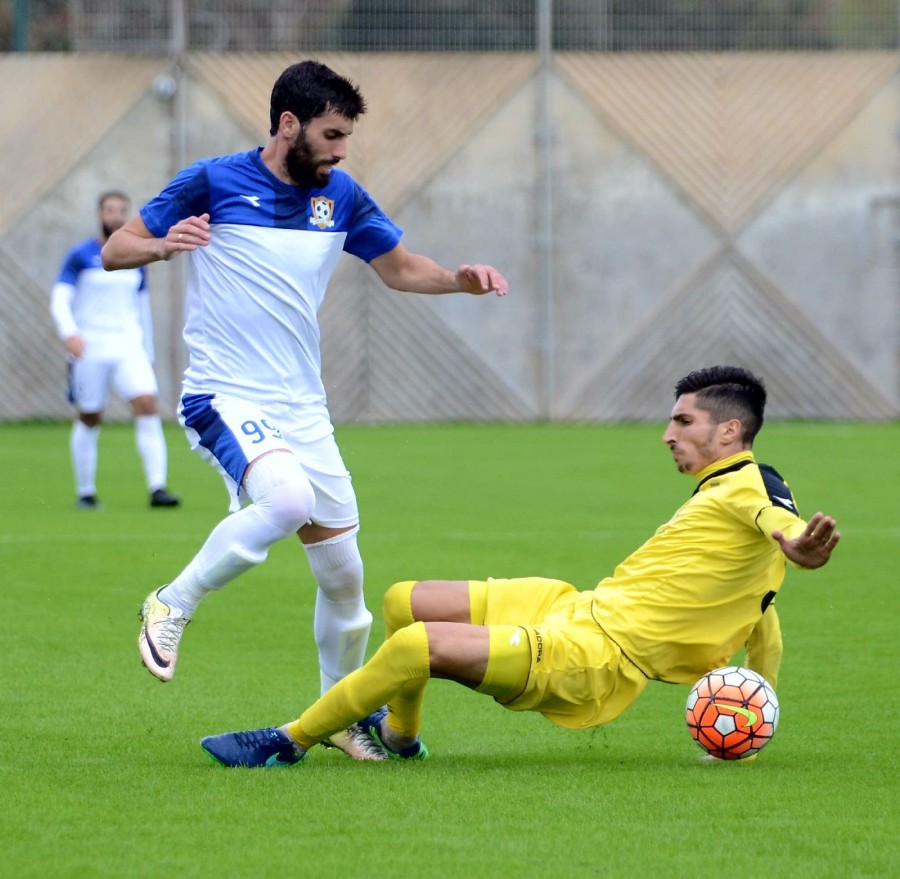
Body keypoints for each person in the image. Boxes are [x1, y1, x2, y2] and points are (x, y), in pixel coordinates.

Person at [101, 60, 508, 761]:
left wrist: (457, 280)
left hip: (303, 409)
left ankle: (339, 715)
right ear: (288, 124)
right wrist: (165, 244)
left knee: (344, 576)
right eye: (332, 135)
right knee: (287, 500)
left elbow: (400, 267)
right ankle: (172, 600)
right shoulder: (212, 180)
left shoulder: (341, 195)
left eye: (347, 136)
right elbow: (117, 248)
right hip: (224, 394)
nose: (342, 150)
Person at [198, 365, 840, 768]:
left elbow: (778, 526)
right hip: (575, 606)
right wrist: (760, 695)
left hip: (596, 659)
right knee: (403, 602)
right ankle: (399, 736)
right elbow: (763, 613)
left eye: (683, 420)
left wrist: (797, 545)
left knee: (417, 646)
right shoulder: (728, 499)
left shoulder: (749, 487)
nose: (667, 434)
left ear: (729, 432)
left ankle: (289, 742)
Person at [49, 191, 181, 510]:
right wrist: (70, 333)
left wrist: (148, 352)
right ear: (100, 214)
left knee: (147, 403)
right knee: (90, 415)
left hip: (128, 346)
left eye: (121, 210)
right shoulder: (81, 255)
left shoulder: (135, 258)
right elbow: (60, 298)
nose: (115, 216)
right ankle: (85, 491)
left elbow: (141, 307)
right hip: (90, 347)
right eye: (110, 210)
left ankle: (157, 487)